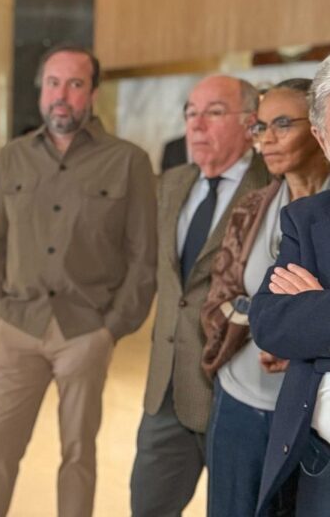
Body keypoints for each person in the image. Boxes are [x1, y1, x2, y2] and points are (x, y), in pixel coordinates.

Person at [0, 44, 157, 517]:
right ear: (41, 91)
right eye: (53, 83)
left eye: (75, 84)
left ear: (92, 93)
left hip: (84, 332)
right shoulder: (12, 158)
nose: (62, 95)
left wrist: (111, 329)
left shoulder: (128, 161)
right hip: (17, 326)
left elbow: (143, 257)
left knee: (78, 454)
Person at [131, 74, 269, 515]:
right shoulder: (172, 183)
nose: (196, 124)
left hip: (238, 392)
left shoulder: (272, 187)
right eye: (191, 113)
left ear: (250, 123)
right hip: (166, 392)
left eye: (214, 112)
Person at [199, 78, 327, 516]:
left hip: (305, 411)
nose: (266, 139)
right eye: (260, 127)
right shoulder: (254, 208)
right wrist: (284, 324)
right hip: (241, 392)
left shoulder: (319, 213)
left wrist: (304, 326)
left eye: (282, 124)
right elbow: (224, 299)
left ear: (315, 131)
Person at [251, 57, 330, 515]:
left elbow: (297, 324)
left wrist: (313, 309)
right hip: (320, 465)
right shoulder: (306, 218)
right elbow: (269, 322)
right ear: (323, 138)